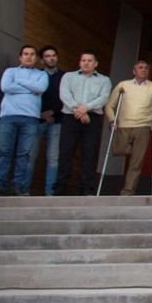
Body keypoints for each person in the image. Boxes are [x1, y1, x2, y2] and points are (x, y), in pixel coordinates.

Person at [0, 45, 48, 197]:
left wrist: (19, 82)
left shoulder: (42, 75)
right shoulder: (10, 72)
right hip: (9, 116)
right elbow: (5, 87)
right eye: (26, 54)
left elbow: (40, 88)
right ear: (20, 57)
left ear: (36, 58)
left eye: (32, 54)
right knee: (4, 152)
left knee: (24, 154)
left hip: (31, 118)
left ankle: (17, 187)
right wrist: (30, 88)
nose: (29, 56)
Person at [105, 60, 152, 196]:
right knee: (119, 149)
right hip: (124, 125)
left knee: (136, 161)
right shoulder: (123, 85)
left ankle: (128, 191)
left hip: (144, 127)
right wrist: (112, 120)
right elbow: (110, 105)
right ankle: (130, 151)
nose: (144, 70)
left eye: (146, 68)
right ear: (134, 71)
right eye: (140, 68)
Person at [54, 49, 112, 196]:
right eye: (83, 60)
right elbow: (64, 94)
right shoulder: (69, 76)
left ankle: (86, 189)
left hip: (92, 118)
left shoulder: (104, 80)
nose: (86, 63)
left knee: (89, 153)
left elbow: (104, 97)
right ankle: (60, 189)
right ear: (80, 62)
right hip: (70, 117)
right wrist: (79, 111)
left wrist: (85, 108)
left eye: (89, 60)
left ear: (96, 64)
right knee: (66, 153)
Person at [35, 45, 64, 196]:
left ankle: (50, 194)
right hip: (37, 120)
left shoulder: (64, 77)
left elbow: (65, 98)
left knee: (53, 158)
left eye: (53, 55)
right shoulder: (36, 75)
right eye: (47, 56)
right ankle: (23, 191)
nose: (51, 58)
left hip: (56, 121)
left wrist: (53, 112)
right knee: (29, 156)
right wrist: (41, 114)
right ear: (41, 60)